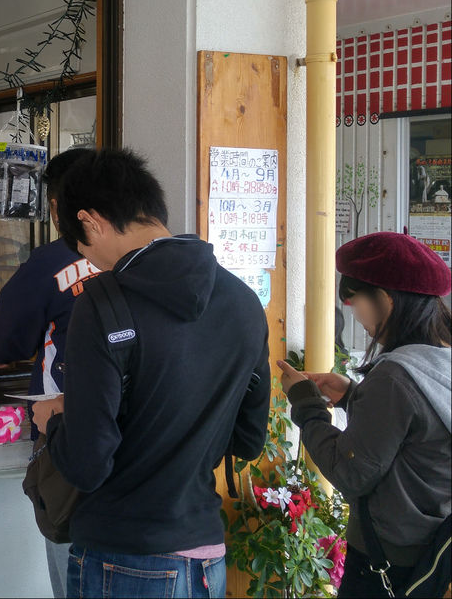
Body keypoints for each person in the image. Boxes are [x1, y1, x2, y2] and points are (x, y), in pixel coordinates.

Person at [31, 148, 270, 599]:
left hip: (122, 556)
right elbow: (248, 439)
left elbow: (87, 464)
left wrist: (54, 421)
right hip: (206, 555)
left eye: (83, 246)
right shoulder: (243, 302)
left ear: (91, 221)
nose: (92, 260)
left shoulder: (102, 303)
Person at [278, 232, 451, 599]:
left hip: (386, 562)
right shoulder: (440, 360)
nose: (356, 316)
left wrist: (306, 405)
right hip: (432, 552)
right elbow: (417, 432)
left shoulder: (395, 377)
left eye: (355, 302)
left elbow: (350, 472)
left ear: (386, 299)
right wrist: (353, 396)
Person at [0, 146, 98, 599]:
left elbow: (2, 348)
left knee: (73, 571)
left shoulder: (51, 261)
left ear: (55, 205)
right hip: (144, 455)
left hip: (65, 441)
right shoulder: (144, 260)